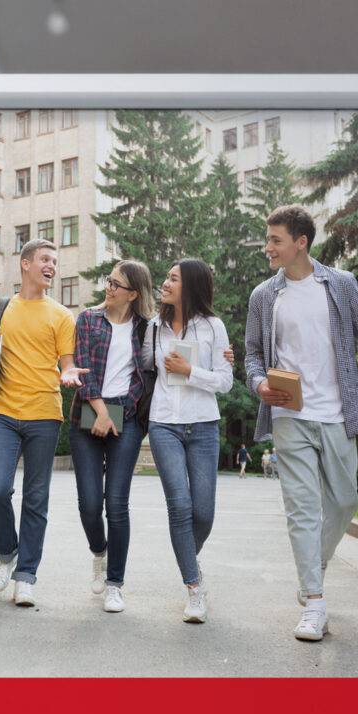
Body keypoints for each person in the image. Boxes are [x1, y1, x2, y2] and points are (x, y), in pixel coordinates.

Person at [244, 204, 358, 642]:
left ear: (301, 243)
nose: (267, 248)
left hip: (337, 411)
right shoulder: (264, 297)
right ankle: (314, 600)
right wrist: (259, 385)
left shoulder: (341, 285)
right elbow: (254, 355)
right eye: (267, 239)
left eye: (275, 240)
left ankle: (314, 562)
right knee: (301, 508)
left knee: (346, 501)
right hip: (288, 414)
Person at [0, 238, 80, 608]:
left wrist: (68, 374)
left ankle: (26, 576)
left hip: (44, 414)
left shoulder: (61, 315)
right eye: (45, 260)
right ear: (25, 264)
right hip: (4, 411)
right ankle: (9, 553)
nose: (51, 266)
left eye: (55, 261)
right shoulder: (3, 307)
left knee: (36, 498)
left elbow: (66, 361)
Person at [143, 257, 233, 624]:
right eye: (166, 277)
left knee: (204, 512)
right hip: (164, 423)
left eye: (173, 278)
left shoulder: (214, 327)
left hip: (203, 425)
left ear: (191, 286)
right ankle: (194, 587)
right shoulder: (153, 327)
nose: (165, 283)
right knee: (179, 507)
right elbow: (141, 366)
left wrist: (190, 371)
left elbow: (225, 381)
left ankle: (187, 556)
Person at [69, 259, 158, 615]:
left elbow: (147, 375)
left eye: (117, 285)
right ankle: (98, 552)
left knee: (116, 503)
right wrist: (101, 412)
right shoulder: (88, 319)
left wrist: (122, 410)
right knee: (90, 503)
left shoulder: (146, 328)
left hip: (128, 418)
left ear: (134, 294)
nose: (109, 288)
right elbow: (83, 366)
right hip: (89, 411)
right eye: (109, 281)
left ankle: (115, 584)